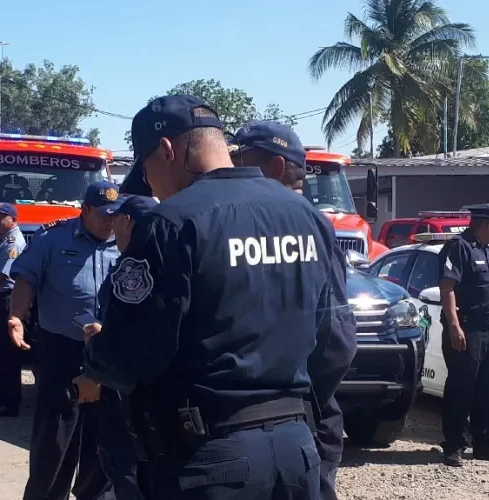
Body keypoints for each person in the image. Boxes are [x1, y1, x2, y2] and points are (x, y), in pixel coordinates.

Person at [84, 95, 355, 500]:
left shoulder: (169, 224)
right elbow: (334, 340)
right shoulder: (308, 217)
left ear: (167, 150)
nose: (151, 185)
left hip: (209, 459)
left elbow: (129, 357)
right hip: (296, 450)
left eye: (146, 170)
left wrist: (96, 348)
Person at [230, 120, 354, 500]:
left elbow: (336, 336)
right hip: (296, 412)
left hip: (297, 413)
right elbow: (337, 338)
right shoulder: (308, 223)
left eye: (245, 160)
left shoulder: (306, 223)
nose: (234, 168)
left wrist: (305, 398)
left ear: (277, 167)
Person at [7, 181, 122, 500]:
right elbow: (26, 279)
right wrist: (16, 315)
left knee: (102, 438)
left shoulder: (126, 241)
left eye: (114, 215)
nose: (110, 222)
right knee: (56, 437)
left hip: (108, 353)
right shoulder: (52, 238)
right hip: (63, 350)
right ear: (84, 210)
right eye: (103, 215)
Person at [72, 195, 159, 500]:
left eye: (116, 220)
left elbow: (127, 335)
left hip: (125, 394)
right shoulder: (169, 259)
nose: (111, 227)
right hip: (157, 397)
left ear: (126, 222)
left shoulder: (132, 267)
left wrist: (96, 359)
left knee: (125, 470)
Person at [437, 205, 489, 467]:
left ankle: (485, 444)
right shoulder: (459, 247)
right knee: (461, 388)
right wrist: (454, 325)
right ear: (485, 223)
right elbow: (447, 288)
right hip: (466, 328)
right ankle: (454, 446)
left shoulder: (488, 252)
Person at [0, 202, 27, 416]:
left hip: (5, 299)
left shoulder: (13, 242)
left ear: (13, 220)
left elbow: (1, 275)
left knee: (6, 353)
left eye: (1, 217)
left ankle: (9, 402)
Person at [229, 120, 307, 194]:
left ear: (276, 168)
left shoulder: (255, 207)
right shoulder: (305, 207)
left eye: (238, 166)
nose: (229, 172)